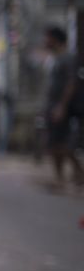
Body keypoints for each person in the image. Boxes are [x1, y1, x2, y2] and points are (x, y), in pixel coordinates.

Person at [42, 26, 84, 189]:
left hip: (64, 107)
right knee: (53, 143)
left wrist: (62, 106)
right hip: (53, 105)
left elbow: (71, 83)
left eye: (48, 38)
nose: (46, 41)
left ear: (55, 39)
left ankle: (77, 173)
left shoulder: (68, 58)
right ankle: (60, 177)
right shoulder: (54, 58)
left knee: (63, 143)